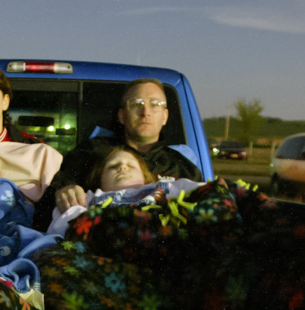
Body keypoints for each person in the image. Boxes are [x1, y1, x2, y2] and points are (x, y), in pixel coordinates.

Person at [35, 78, 203, 228]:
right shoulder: (92, 153)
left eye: (155, 104)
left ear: (165, 116)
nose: (146, 112)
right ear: (122, 116)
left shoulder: (183, 167)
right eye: (136, 104)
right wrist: (64, 190)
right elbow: (53, 199)